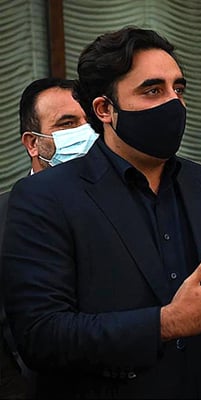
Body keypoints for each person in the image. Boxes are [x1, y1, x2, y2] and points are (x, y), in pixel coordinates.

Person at [1, 27, 201, 398]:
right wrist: (164, 324)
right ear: (105, 109)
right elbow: (41, 336)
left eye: (179, 89)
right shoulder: (45, 198)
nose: (174, 103)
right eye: (153, 90)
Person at [0, 77, 97, 398]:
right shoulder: (5, 215)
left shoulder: (125, 205)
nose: (85, 133)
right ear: (32, 143)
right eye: (68, 123)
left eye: (89, 122)